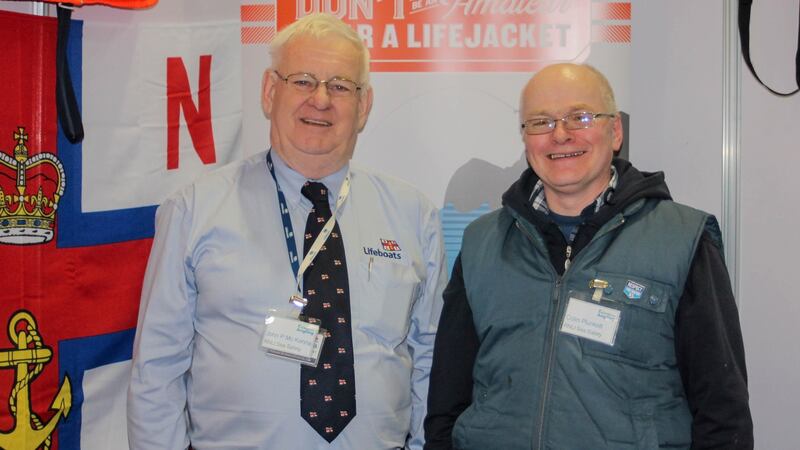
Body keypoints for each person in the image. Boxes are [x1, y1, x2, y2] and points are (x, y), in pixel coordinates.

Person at [128, 13, 447, 450]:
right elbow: (156, 369)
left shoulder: (413, 215)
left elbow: (432, 361)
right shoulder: (195, 209)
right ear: (269, 91)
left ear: (364, 105)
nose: (320, 100)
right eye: (302, 81)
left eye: (340, 86)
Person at [423, 63, 753, 449]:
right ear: (526, 139)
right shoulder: (482, 243)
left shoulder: (682, 240)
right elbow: (447, 401)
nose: (560, 135)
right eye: (541, 122)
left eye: (579, 117)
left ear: (615, 132)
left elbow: (722, 411)